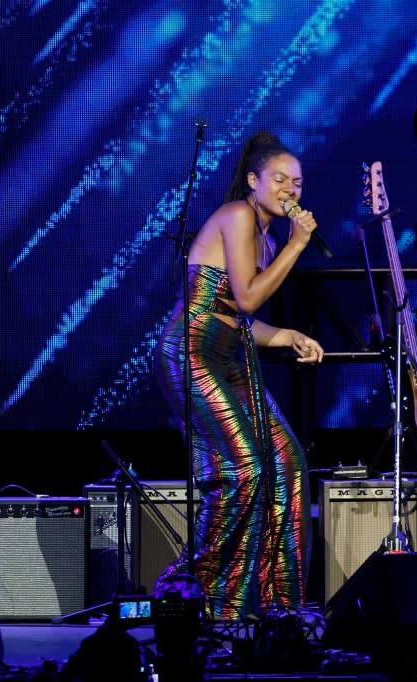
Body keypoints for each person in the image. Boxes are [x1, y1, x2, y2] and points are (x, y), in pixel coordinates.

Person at [153, 131, 324, 620]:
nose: (291, 189)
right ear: (253, 180)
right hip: (193, 354)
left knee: (287, 463)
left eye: (297, 182)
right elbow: (247, 297)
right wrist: (298, 245)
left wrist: (286, 335)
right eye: (279, 179)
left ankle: (278, 608)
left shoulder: (265, 236)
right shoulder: (238, 215)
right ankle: (200, 600)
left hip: (232, 356)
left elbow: (241, 316)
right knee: (243, 471)